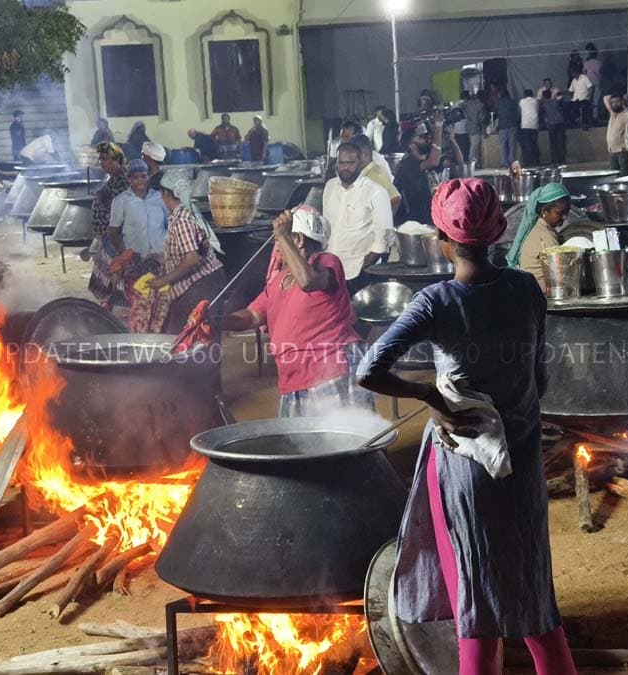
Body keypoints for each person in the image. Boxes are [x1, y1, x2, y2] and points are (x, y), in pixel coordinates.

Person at [356, 178, 578, 675]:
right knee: (535, 598)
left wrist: (432, 395)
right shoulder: (526, 289)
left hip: (463, 470)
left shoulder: (436, 302)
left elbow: (368, 369)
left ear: (442, 240)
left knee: (474, 599)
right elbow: (539, 379)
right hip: (521, 464)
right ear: (498, 232)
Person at [217, 207, 373, 417]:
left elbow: (308, 281)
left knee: (340, 443)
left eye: (279, 240)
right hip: (294, 376)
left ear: (298, 239)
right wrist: (216, 321)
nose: (276, 246)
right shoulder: (281, 280)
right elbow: (253, 315)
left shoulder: (326, 263)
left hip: (330, 371)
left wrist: (284, 236)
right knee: (302, 444)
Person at [148, 170, 227, 333]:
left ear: (165, 194)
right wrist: (163, 259)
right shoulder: (184, 213)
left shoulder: (182, 220)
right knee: (202, 336)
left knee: (187, 336)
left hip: (201, 284)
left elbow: (191, 259)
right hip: (207, 281)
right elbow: (187, 251)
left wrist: (163, 281)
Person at [325, 142, 396, 294]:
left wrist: (366, 265)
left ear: (360, 163)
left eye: (350, 163)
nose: (345, 167)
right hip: (330, 270)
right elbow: (326, 226)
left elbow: (386, 236)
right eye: (342, 162)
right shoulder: (329, 187)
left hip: (360, 273)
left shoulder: (376, 192)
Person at [109, 160, 170, 332]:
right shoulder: (121, 201)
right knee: (139, 302)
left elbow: (169, 224)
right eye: (134, 178)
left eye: (143, 176)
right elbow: (113, 232)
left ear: (148, 176)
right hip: (137, 262)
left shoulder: (159, 197)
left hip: (160, 259)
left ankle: (158, 337)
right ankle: (140, 338)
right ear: (129, 180)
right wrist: (125, 254)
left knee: (161, 301)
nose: (139, 181)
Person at [87, 142, 131, 310]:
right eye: (101, 159)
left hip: (117, 235)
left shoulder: (122, 179)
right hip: (108, 235)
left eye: (106, 159)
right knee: (110, 272)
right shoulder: (112, 178)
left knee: (115, 271)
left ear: (117, 160)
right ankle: (108, 301)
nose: (102, 163)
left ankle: (109, 302)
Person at [396, 114, 461, 226]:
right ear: (411, 144)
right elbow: (433, 161)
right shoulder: (407, 163)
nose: (427, 139)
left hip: (430, 216)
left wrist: (452, 140)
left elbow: (458, 162)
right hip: (415, 222)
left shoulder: (425, 158)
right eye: (421, 137)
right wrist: (438, 129)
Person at [505, 183, 572, 291]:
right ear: (545, 211)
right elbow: (560, 275)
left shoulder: (541, 229)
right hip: (541, 296)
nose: (565, 216)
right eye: (560, 213)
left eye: (567, 212)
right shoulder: (544, 237)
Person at [357, 135, 401, 215]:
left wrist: (384, 220)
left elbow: (395, 198)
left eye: (353, 156)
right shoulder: (363, 174)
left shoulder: (376, 175)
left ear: (365, 155)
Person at [604, 94, 628, 176]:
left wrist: (626, 146)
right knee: (613, 175)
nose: (615, 104)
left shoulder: (627, 115)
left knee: (624, 175)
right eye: (612, 102)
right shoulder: (612, 113)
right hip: (611, 150)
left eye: (617, 101)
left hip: (622, 150)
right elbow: (606, 98)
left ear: (622, 102)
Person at [462, 91, 488, 165]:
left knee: (473, 145)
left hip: (468, 128)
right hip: (476, 128)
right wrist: (484, 130)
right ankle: (472, 163)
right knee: (474, 146)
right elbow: (482, 119)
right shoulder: (480, 105)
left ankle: (476, 163)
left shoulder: (467, 104)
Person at [495, 90, 519, 167]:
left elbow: (494, 113)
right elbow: (517, 114)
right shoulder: (513, 102)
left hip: (502, 127)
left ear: (500, 96)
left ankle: (504, 163)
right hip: (512, 126)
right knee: (512, 145)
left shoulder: (498, 103)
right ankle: (512, 162)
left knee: (502, 146)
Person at [543, 90, 568, 165]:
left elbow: (545, 116)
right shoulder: (555, 101)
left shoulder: (544, 104)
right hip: (560, 123)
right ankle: (562, 159)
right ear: (550, 95)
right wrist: (557, 94)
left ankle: (555, 160)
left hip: (551, 124)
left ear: (544, 96)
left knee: (553, 143)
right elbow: (561, 97)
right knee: (561, 142)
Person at [518, 90, 541, 167]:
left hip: (525, 126)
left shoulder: (522, 101)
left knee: (527, 145)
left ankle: (529, 163)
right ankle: (536, 162)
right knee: (534, 144)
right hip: (534, 126)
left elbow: (519, 111)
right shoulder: (536, 101)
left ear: (524, 95)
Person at [584, 44, 603, 122]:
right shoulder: (599, 63)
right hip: (596, 83)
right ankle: (594, 116)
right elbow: (601, 73)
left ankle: (589, 116)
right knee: (596, 100)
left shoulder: (586, 63)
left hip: (589, 84)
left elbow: (584, 72)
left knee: (589, 100)